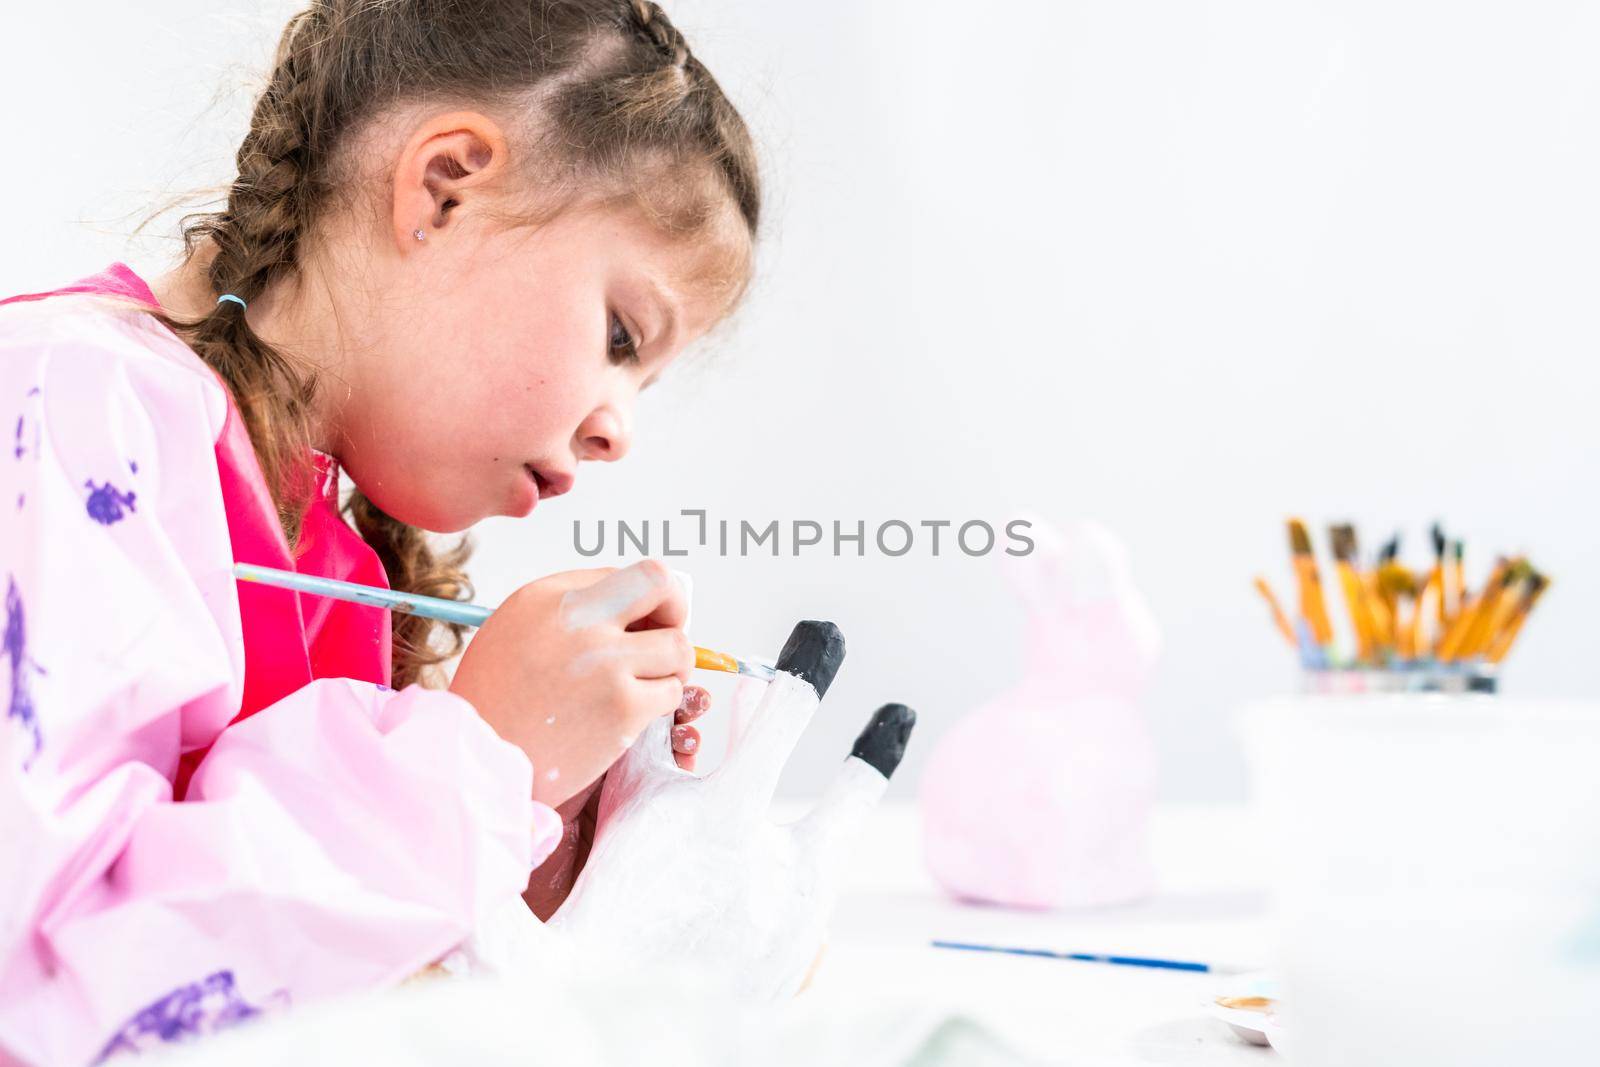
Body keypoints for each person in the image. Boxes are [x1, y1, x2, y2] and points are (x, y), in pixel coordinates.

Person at [0, 1, 758, 1062]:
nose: (616, 430)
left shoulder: (333, 550)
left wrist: (540, 822)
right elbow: (43, 970)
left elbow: (291, 976)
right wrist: (475, 757)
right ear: (444, 187)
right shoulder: (67, 404)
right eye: (621, 335)